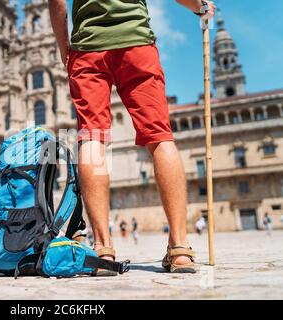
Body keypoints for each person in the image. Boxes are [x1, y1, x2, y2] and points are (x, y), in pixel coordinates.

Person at [48, 0, 215, 273]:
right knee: (160, 138)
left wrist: (64, 47)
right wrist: (200, 6)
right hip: (136, 43)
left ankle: (103, 248)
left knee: (92, 139)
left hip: (87, 48)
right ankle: (180, 249)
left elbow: (56, 3)